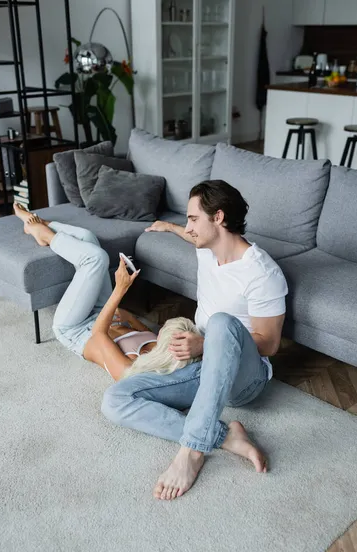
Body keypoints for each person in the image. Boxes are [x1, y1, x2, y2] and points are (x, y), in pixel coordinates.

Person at [101, 179, 288, 502]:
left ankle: (192, 451)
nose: (188, 227)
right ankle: (226, 437)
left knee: (221, 323)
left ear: (218, 218)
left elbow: (269, 344)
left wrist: (207, 343)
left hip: (245, 380)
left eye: (192, 218)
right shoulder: (207, 249)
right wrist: (167, 227)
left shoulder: (262, 274)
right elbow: (189, 234)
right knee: (115, 400)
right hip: (203, 366)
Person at [13, 203, 200, 381]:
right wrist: (121, 314)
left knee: (95, 259)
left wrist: (119, 290)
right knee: (89, 238)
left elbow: (98, 335)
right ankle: (42, 225)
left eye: (164, 333)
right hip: (102, 314)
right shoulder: (157, 346)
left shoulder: (130, 370)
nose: (159, 332)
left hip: (75, 329)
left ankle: (44, 234)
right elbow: (136, 324)